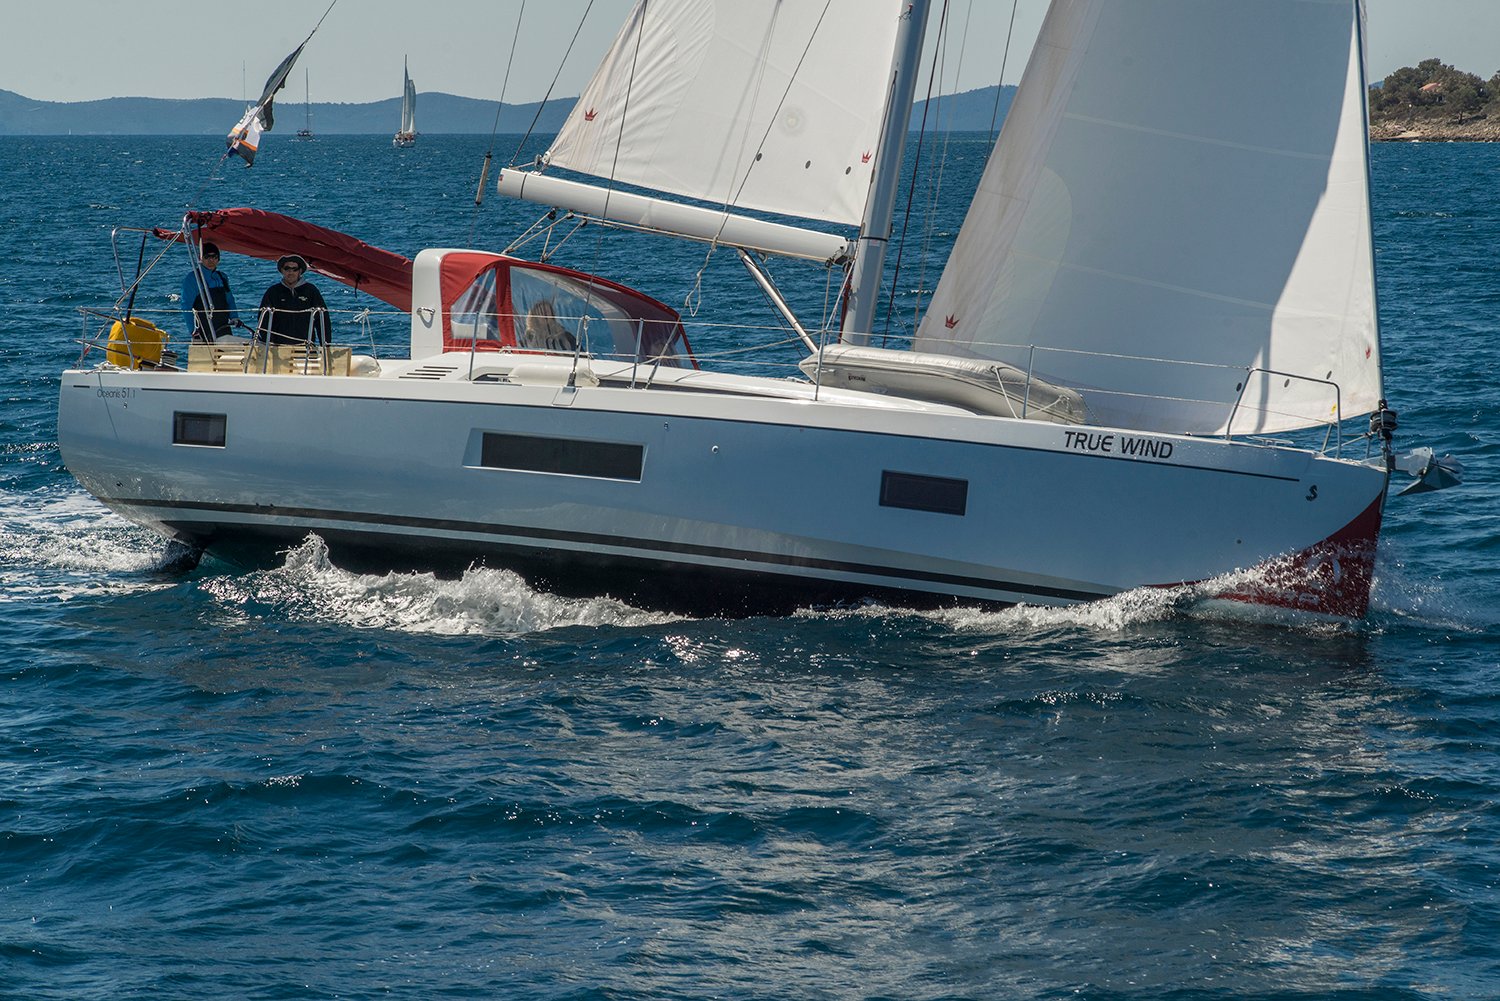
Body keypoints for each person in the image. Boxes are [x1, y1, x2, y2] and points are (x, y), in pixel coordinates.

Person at [257, 254, 329, 345]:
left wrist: (326, 344)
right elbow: (263, 319)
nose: (291, 272)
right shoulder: (273, 292)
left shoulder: (311, 291)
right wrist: (267, 343)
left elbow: (323, 319)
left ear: (300, 271)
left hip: (306, 345)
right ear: (282, 270)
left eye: (295, 269)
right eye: (287, 268)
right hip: (278, 347)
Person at [180, 241, 241, 342]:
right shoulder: (193, 278)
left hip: (223, 326)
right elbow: (186, 305)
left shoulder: (222, 277)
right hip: (203, 328)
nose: (211, 260)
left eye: (214, 257)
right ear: (201, 258)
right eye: (207, 256)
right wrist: (193, 331)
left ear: (218, 259)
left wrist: (234, 317)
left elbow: (230, 299)